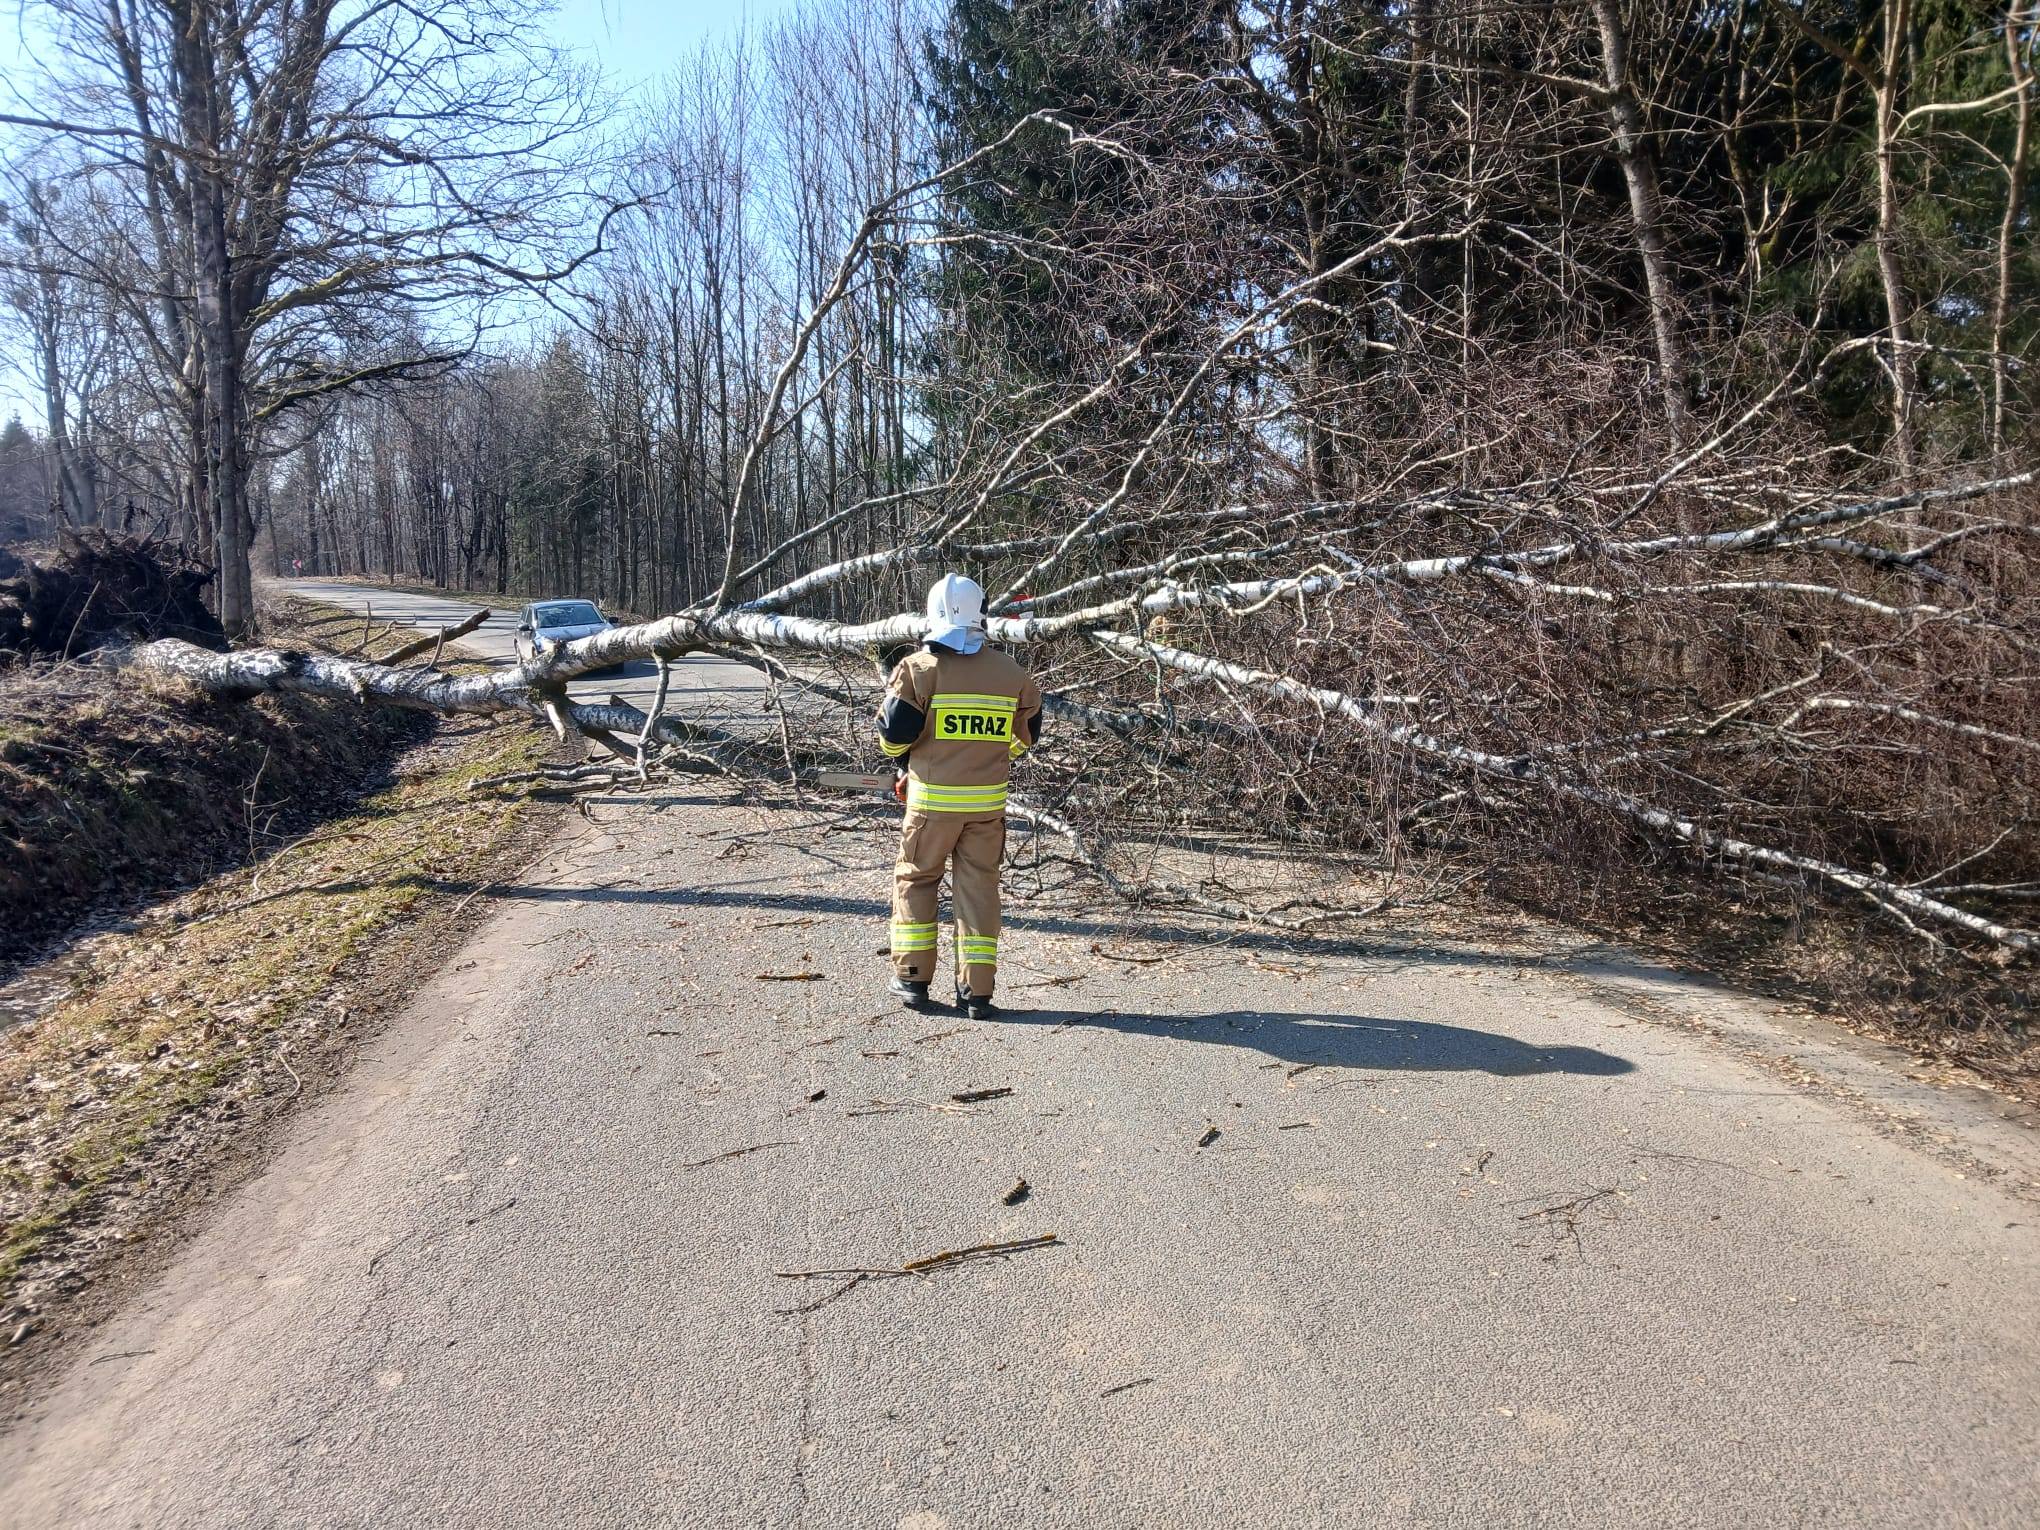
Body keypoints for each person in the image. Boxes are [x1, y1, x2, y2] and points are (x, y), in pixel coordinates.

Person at [876, 574, 1042, 1019]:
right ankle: (978, 993)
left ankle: (912, 978)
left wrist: (906, 764)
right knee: (979, 891)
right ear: (981, 615)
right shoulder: (1012, 674)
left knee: (916, 880)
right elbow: (1026, 739)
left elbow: (893, 737)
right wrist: (989, 756)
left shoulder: (918, 670)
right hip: (986, 809)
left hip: (930, 807)